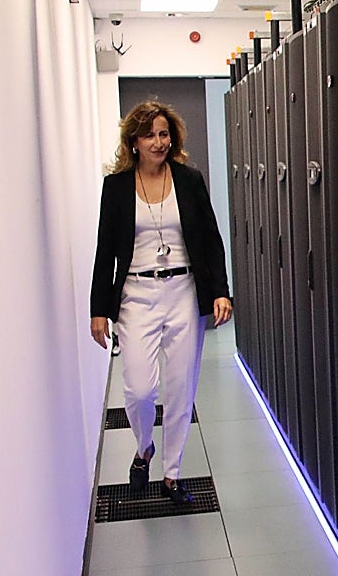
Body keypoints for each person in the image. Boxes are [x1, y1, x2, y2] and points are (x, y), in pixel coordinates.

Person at [90, 101, 232, 504]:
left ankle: (172, 473)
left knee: (180, 387)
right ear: (133, 141)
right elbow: (105, 252)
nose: (159, 142)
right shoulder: (116, 188)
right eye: (150, 134)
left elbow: (210, 238)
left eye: (164, 134)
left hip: (184, 291)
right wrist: (98, 308)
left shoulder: (188, 180)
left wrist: (220, 290)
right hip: (136, 294)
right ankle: (143, 448)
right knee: (138, 388)